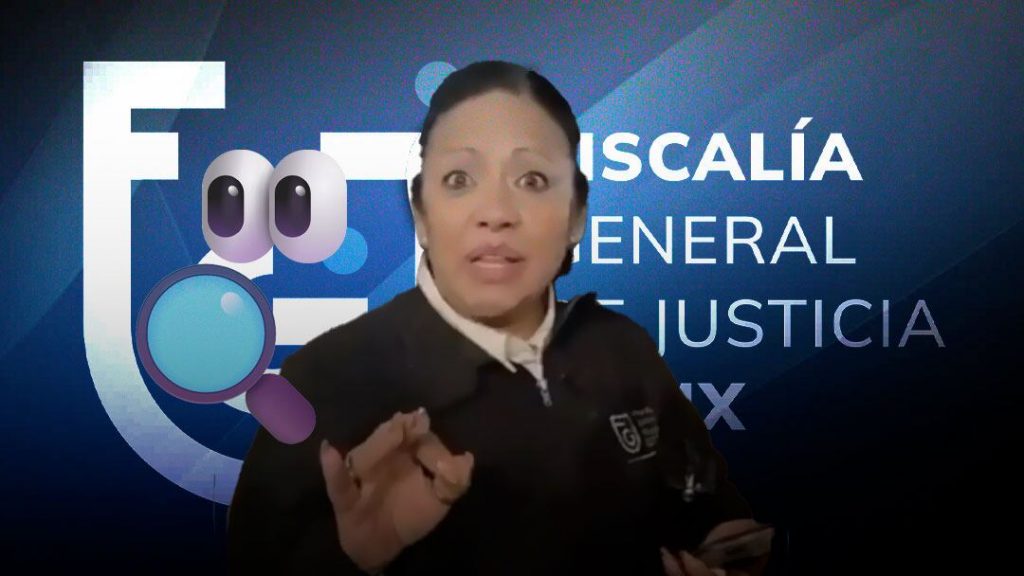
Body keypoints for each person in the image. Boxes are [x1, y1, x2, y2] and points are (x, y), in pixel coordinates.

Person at [226, 60, 767, 575]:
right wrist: (354, 560)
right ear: (421, 213)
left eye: (532, 180)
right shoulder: (324, 379)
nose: (496, 213)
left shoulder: (622, 349)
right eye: (459, 179)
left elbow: (708, 509)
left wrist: (735, 554)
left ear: (576, 216)